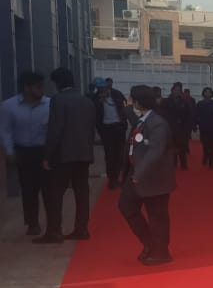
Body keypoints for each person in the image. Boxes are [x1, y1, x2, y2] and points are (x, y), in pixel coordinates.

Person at [118, 85, 175, 265]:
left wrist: (139, 172)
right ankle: (149, 242)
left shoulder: (157, 123)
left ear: (138, 102)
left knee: (157, 215)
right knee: (126, 206)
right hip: (137, 173)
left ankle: (161, 251)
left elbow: (155, 152)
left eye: (131, 99)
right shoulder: (143, 120)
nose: (129, 101)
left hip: (153, 176)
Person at [39, 67, 97, 243]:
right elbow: (91, 129)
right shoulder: (87, 101)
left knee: (55, 192)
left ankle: (54, 231)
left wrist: (47, 155)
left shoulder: (58, 100)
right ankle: (82, 228)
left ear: (57, 83)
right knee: (82, 192)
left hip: (63, 154)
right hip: (84, 153)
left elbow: (55, 130)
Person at [0, 71, 51, 236]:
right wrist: (9, 151)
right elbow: (5, 131)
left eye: (42, 86)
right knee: (28, 189)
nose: (42, 90)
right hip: (23, 152)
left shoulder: (50, 104)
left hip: (44, 151)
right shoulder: (8, 106)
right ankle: (32, 223)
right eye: (38, 87)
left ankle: (53, 224)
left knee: (49, 189)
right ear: (26, 88)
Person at [95, 77, 130, 189]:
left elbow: (124, 105)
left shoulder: (117, 94)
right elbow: (95, 112)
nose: (103, 89)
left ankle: (118, 175)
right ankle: (112, 179)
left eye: (105, 86)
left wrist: (124, 121)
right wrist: (101, 99)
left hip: (119, 126)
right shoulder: (96, 97)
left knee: (120, 153)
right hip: (106, 128)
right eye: (100, 88)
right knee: (110, 155)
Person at [165, 82, 195, 170]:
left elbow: (189, 115)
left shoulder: (185, 102)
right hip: (170, 127)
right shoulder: (166, 101)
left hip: (182, 128)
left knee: (182, 147)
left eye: (179, 90)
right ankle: (173, 164)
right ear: (172, 90)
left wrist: (188, 128)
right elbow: (164, 114)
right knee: (172, 147)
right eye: (175, 90)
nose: (177, 92)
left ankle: (183, 164)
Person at [194, 87, 213, 168]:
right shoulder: (200, 104)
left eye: (209, 92)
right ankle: (206, 155)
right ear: (203, 93)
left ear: (211, 94)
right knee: (205, 143)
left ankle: (212, 162)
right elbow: (196, 115)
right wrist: (195, 124)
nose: (207, 93)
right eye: (206, 92)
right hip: (203, 128)